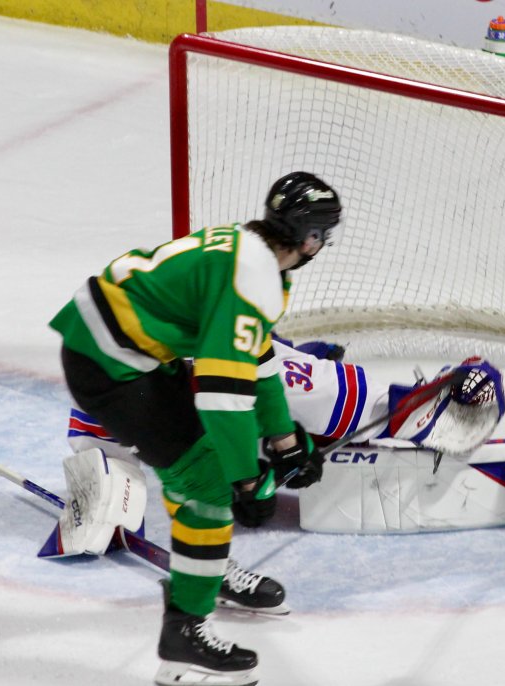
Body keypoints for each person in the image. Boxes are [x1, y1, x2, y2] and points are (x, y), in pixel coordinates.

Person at [49, 172, 341, 686]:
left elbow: (259, 361)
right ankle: (183, 636)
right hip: (110, 367)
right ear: (310, 237)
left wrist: (286, 441)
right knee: (207, 482)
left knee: (203, 473)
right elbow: (222, 397)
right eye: (323, 234)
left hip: (123, 351)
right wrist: (247, 479)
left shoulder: (255, 255)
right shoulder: (255, 275)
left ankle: (202, 565)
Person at [65, 336, 505, 539]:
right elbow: (94, 444)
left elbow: (409, 411)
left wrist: (474, 384)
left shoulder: (303, 388)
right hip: (220, 406)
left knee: (336, 429)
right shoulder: (112, 402)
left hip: (276, 390)